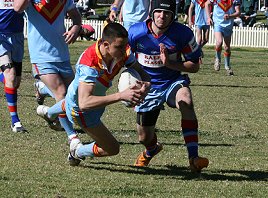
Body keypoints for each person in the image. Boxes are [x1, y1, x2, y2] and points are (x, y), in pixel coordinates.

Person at [35, 23, 151, 166]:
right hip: (82, 111)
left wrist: (146, 85)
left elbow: (144, 74)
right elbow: (84, 103)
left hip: (82, 97)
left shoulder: (123, 52)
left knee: (68, 101)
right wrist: (121, 95)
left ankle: (48, 112)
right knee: (113, 148)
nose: (125, 50)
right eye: (119, 47)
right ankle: (77, 151)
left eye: (125, 45)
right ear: (106, 45)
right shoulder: (89, 64)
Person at [128, 0, 209, 172]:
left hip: (172, 81)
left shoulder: (183, 34)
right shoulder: (136, 32)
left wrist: (170, 64)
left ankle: (193, 158)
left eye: (167, 13)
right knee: (143, 136)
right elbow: (124, 58)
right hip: (147, 87)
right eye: (158, 12)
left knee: (185, 100)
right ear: (152, 13)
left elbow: (194, 65)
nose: (162, 16)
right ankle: (151, 150)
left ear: (173, 16)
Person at [14, 1, 82, 143]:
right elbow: (17, 8)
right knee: (62, 94)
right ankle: (72, 137)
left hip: (62, 54)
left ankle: (44, 94)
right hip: (41, 55)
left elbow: (75, 16)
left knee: (75, 96)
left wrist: (76, 28)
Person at [0, 1, 27, 132]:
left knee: (15, 82)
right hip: (1, 36)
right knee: (10, 75)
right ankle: (15, 121)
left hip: (17, 37)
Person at [205, 0, 241, 76]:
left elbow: (238, 12)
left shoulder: (234, 1)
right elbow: (207, 4)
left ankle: (227, 67)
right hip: (218, 23)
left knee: (227, 48)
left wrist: (230, 16)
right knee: (219, 42)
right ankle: (217, 59)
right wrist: (208, 17)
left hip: (228, 25)